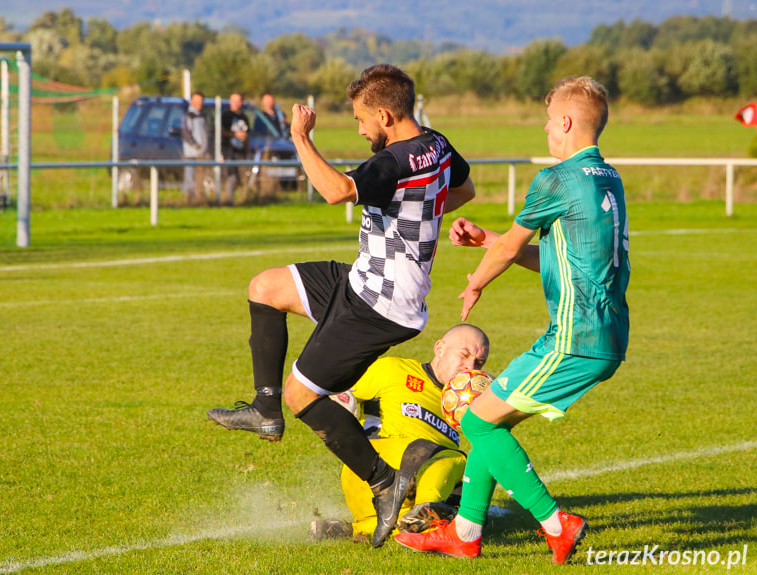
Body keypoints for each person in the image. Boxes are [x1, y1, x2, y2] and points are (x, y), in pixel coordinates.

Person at [208, 64, 476, 548]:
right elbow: (464, 189)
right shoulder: (435, 144)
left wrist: (301, 138)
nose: (359, 129)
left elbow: (335, 191)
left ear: (385, 113)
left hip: (380, 305)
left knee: (303, 397)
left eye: (360, 119)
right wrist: (424, 217)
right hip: (361, 279)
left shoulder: (394, 160)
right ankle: (264, 409)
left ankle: (383, 480)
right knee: (265, 287)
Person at [394, 76, 630, 564]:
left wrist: (476, 280)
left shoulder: (557, 178)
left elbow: (511, 247)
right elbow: (557, 258)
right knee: (488, 422)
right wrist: (488, 242)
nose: (546, 130)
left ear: (564, 122)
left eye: (548, 121)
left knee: (477, 422)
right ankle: (465, 532)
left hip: (572, 339)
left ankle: (554, 522)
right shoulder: (608, 179)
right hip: (606, 337)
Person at [311, 324, 490, 542]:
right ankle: (428, 508)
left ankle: (358, 529)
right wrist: (341, 402)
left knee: (471, 505)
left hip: (393, 494)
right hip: (377, 471)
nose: (470, 366)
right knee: (456, 458)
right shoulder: (392, 370)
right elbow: (331, 393)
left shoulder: (464, 405)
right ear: (440, 348)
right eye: (464, 355)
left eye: (479, 362)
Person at [221, 92, 250, 203]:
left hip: (241, 151)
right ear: (230, 102)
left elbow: (248, 135)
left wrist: (247, 149)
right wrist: (234, 134)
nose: (237, 103)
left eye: (239, 101)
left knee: (242, 176)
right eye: (235, 101)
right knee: (231, 175)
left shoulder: (244, 117)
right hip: (229, 150)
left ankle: (243, 200)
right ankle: (229, 200)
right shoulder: (226, 115)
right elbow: (221, 132)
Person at [182, 91, 208, 203]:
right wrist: (195, 145)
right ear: (191, 101)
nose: (199, 104)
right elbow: (185, 133)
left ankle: (198, 199)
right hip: (191, 154)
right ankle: (188, 199)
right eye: (197, 101)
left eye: (201, 102)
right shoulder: (188, 115)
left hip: (201, 154)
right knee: (190, 177)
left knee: (199, 178)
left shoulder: (201, 116)